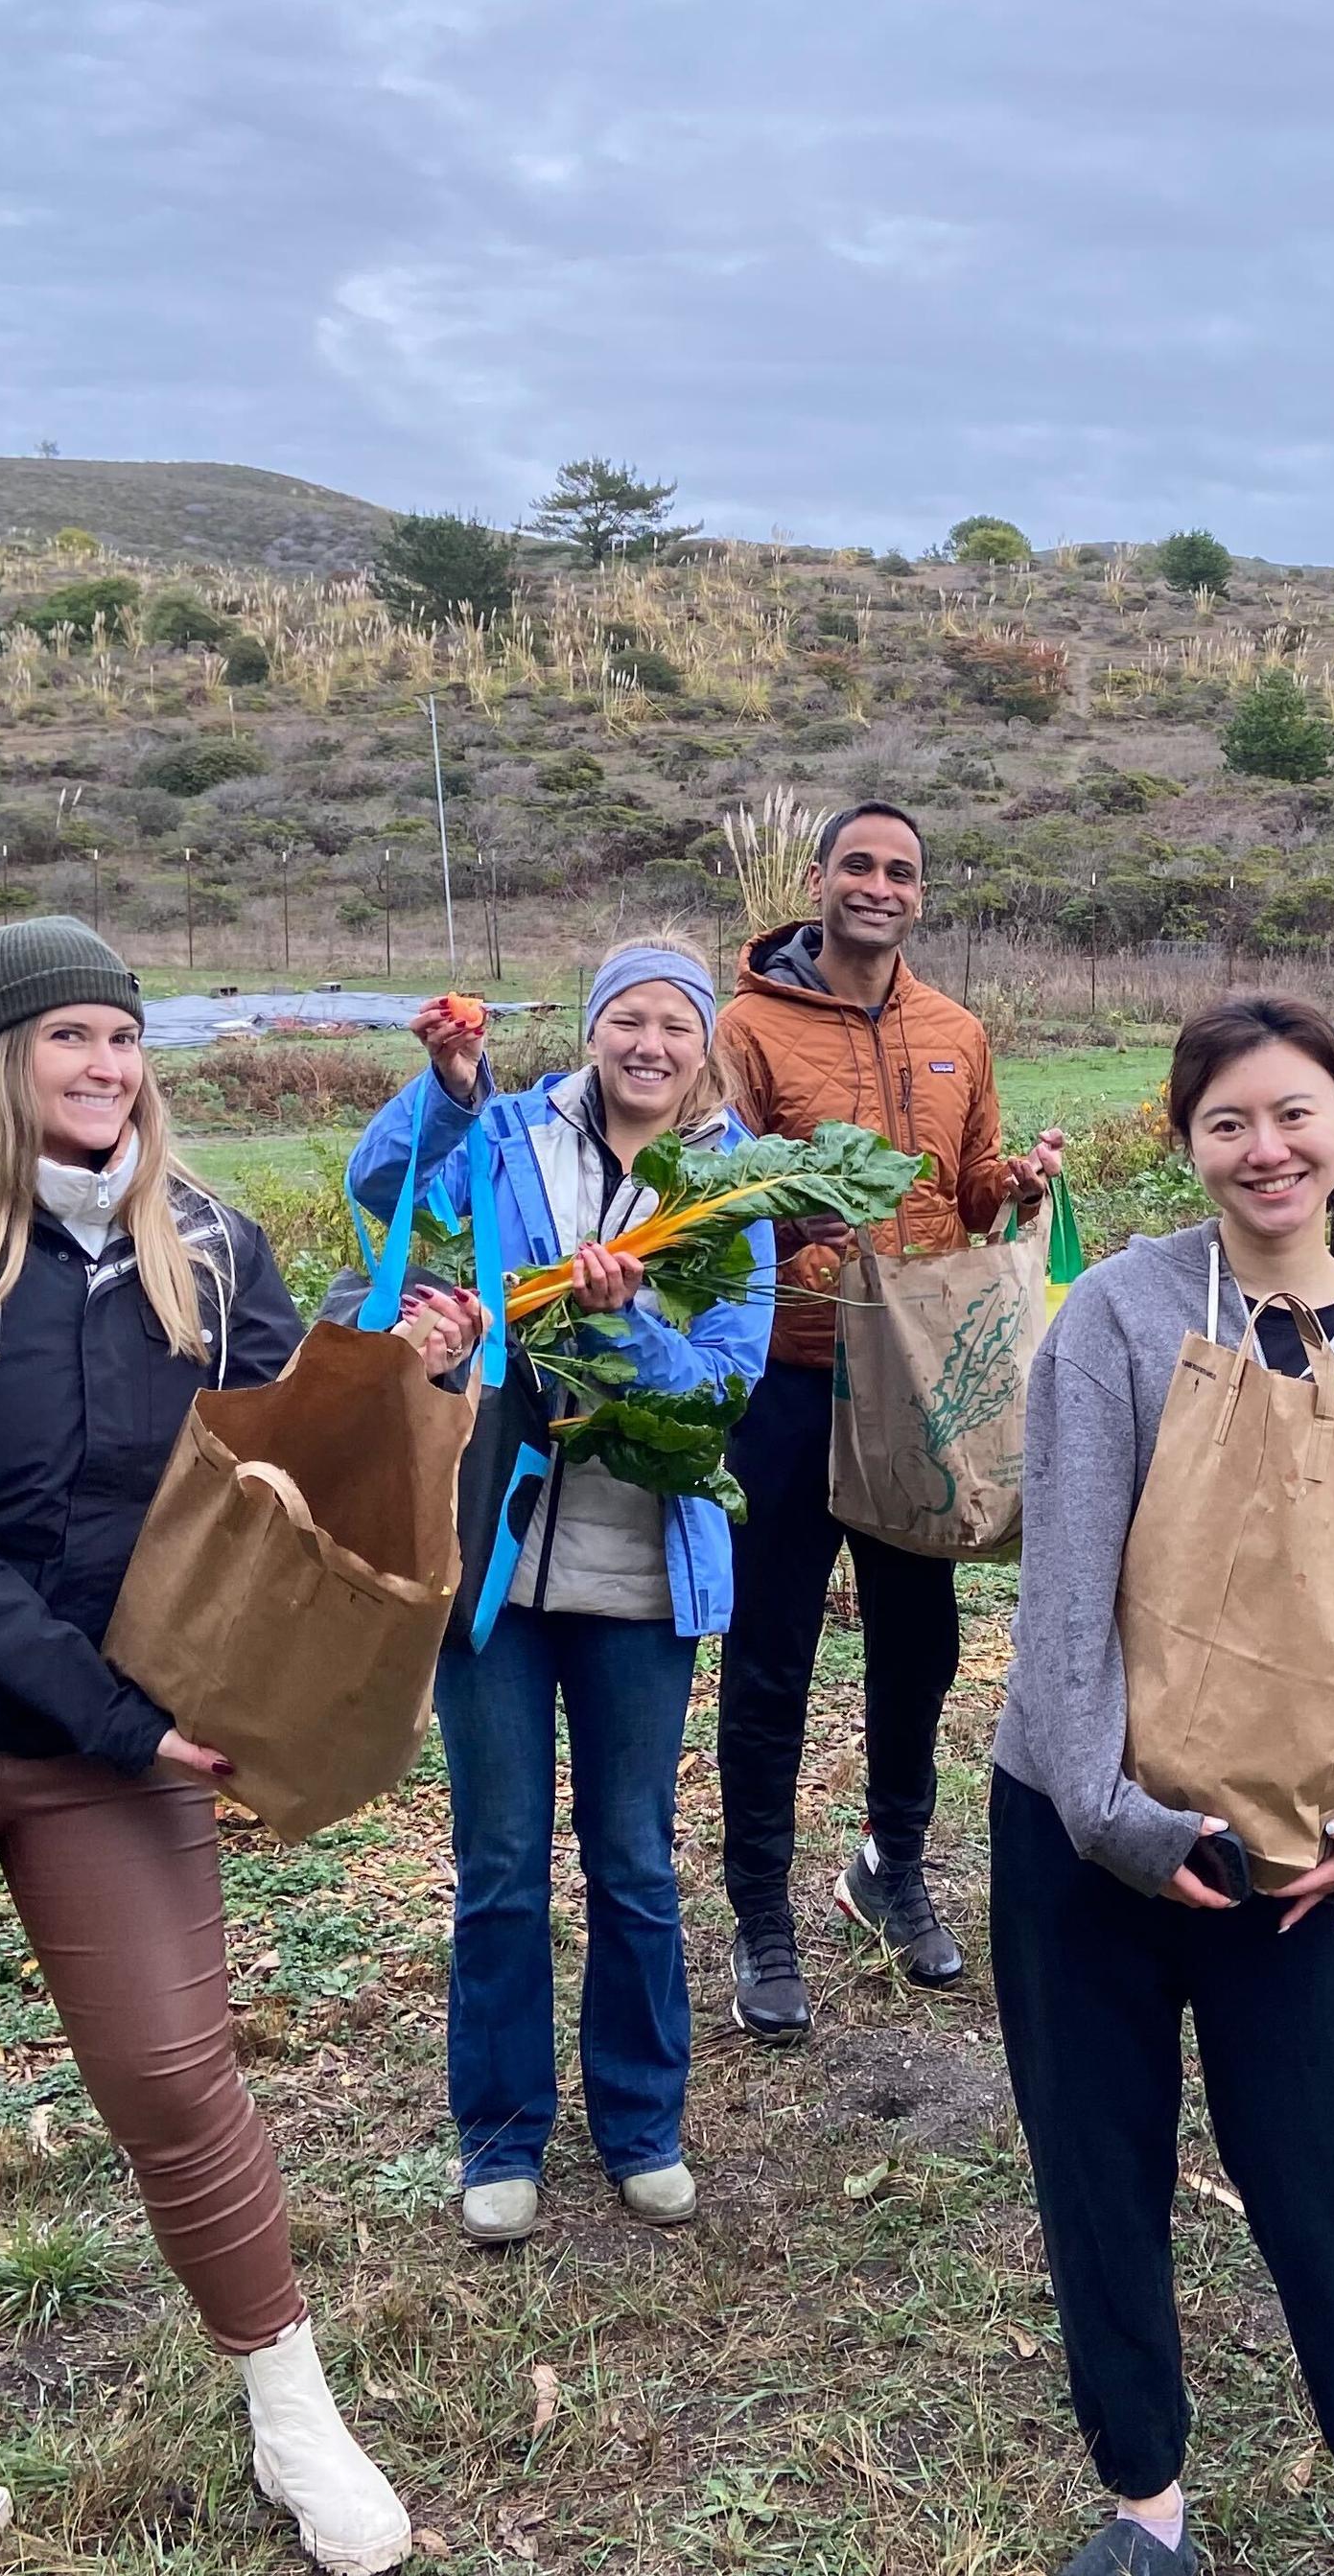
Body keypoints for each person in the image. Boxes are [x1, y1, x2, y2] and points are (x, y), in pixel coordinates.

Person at [0, 917, 443, 2572]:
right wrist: (129, 1725)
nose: (108, 1069)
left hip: (116, 1745)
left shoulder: (203, 1244)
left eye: (125, 1039)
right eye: (70, 1037)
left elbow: (292, 1456)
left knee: (175, 2079)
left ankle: (295, 2417)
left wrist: (412, 1377)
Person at [995, 995, 1334, 2576]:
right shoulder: (1121, 1319)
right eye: (1227, 1123)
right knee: (1098, 2167)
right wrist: (1118, 1820)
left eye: (1294, 1114)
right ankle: (1146, 2507)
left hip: (1287, 1858)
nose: (1266, 1149)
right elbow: (1061, 1620)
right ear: (1188, 1142)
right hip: (1082, 1830)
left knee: (1323, 2181)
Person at [344, 943, 775, 2245]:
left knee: (636, 1864)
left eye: (674, 1025)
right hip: (497, 1564)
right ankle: (502, 2134)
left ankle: (642, 2124)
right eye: (626, 1019)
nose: (649, 1043)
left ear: (705, 1046)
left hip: (642, 1569)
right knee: (501, 1866)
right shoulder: (509, 1130)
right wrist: (445, 1086)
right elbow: (385, 1190)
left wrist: (625, 1323)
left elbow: (719, 1386)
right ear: (592, 1030)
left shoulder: (732, 1187)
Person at [711, 801, 1065, 2037]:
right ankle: (760, 1910)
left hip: (921, 1381)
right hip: (792, 1375)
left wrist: (1012, 1185)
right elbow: (706, 1190)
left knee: (920, 1639)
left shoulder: (955, 1030)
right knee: (770, 1651)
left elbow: (968, 1186)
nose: (878, 884)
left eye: (901, 871)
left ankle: (892, 1866)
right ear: (817, 881)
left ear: (922, 895)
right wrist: (778, 1219)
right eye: (857, 864)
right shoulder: (743, 1029)